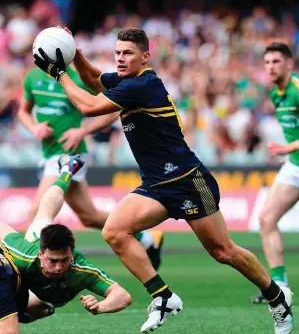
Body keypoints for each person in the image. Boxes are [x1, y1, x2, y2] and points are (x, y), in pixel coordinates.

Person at [33, 28, 294, 334]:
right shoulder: (127, 81)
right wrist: (76, 53)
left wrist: (59, 71)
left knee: (224, 251)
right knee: (115, 231)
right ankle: (163, 295)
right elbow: (92, 81)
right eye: (117, 52)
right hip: (157, 184)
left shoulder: (142, 85)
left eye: (127, 53)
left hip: (187, 180)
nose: (120, 58)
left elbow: (88, 106)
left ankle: (277, 298)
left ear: (145, 57)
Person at [17, 64, 164, 270]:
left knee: (37, 213)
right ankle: (148, 238)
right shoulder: (32, 77)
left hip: (69, 155)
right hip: (49, 154)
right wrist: (34, 127)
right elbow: (23, 111)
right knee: (89, 217)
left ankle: (38, 271)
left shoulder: (76, 80)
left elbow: (115, 109)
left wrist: (83, 130)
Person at [0, 154, 132, 334]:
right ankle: (67, 171)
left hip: (44, 299)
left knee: (39, 309)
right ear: (41, 255)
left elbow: (123, 296)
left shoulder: (82, 270)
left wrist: (100, 307)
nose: (58, 267)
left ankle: (68, 169)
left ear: (72, 254)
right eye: (52, 261)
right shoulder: (25, 254)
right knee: (43, 215)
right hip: (31, 272)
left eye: (64, 260)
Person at [249, 42, 299, 304]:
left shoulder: (297, 89)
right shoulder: (276, 93)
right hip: (295, 166)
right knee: (267, 219)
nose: (270, 66)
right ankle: (279, 287)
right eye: (267, 62)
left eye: (276, 61)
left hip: (291, 156)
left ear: (289, 64)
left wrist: (287, 147)